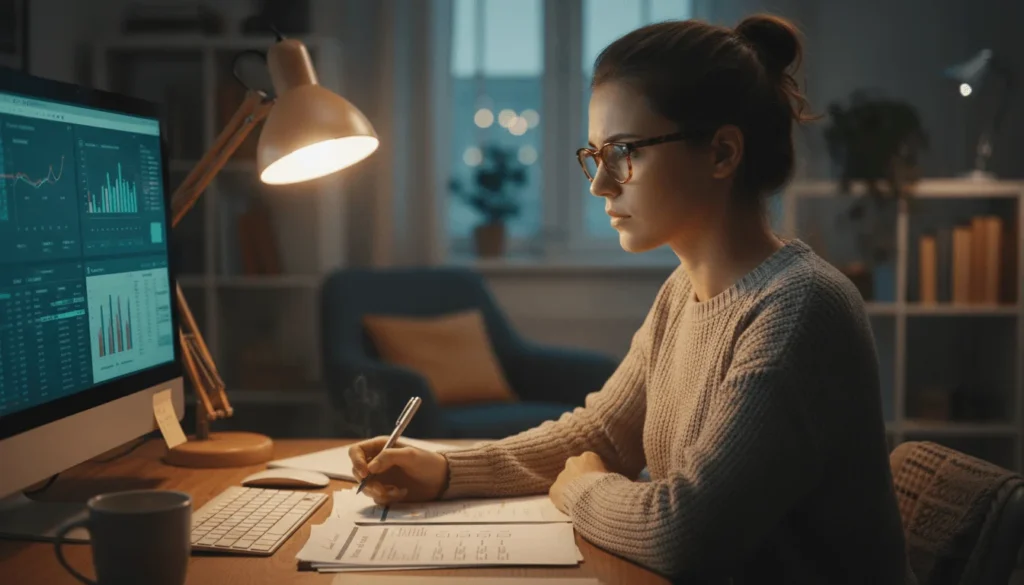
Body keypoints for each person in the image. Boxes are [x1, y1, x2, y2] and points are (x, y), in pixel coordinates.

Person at [349, 13, 911, 584]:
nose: (599, 184)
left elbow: (685, 533)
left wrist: (583, 489)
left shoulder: (800, 309)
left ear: (721, 153)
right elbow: (602, 435)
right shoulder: (682, 294)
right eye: (595, 155)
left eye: (624, 152)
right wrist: (445, 468)